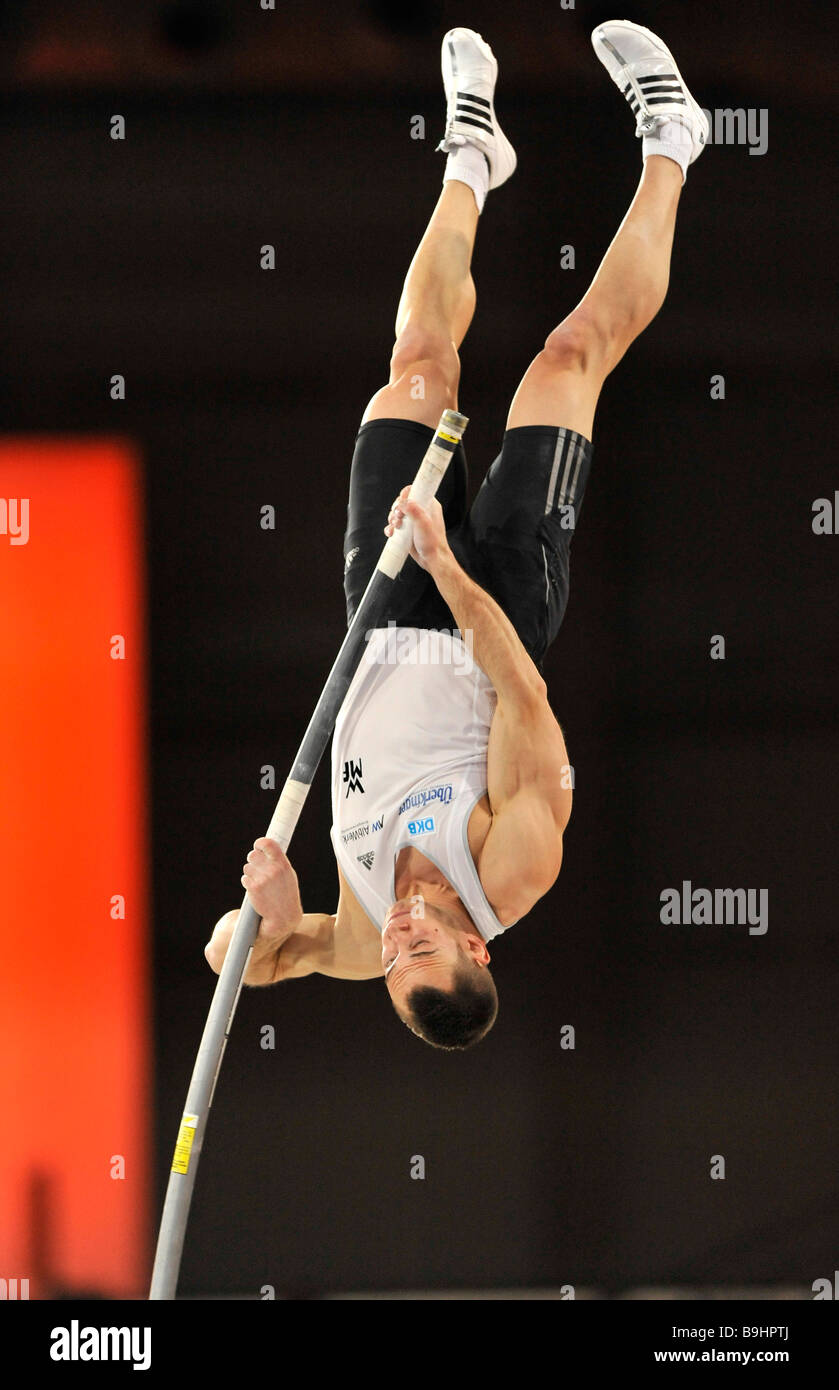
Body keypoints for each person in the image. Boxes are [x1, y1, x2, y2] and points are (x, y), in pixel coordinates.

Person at [206, 22, 709, 1049]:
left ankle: (470, 156)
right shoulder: (512, 869)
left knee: (417, 366)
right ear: (475, 947)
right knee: (566, 358)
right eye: (420, 944)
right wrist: (445, 560)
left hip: (383, 618)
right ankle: (672, 142)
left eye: (391, 959)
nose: (394, 935)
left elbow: (236, 960)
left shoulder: (355, 928)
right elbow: (525, 693)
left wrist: (261, 904)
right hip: (500, 615)